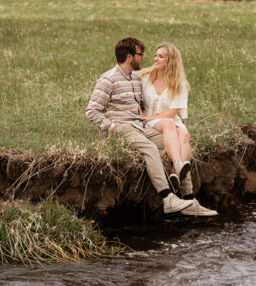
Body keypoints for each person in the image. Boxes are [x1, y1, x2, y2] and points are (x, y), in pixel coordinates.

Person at [86, 36, 216, 218]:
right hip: (122, 127)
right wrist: (111, 126)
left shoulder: (135, 79)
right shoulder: (108, 79)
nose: (144, 58)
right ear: (130, 56)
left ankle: (189, 198)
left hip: (139, 126)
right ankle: (167, 197)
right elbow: (92, 110)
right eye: (141, 54)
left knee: (176, 143)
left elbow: (140, 106)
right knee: (150, 148)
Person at [141, 42, 217, 216]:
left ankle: (188, 197)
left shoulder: (179, 82)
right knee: (170, 126)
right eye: (155, 55)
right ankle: (178, 168)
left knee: (184, 133)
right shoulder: (145, 77)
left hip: (170, 118)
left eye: (161, 56)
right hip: (150, 121)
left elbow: (174, 112)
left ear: (171, 61)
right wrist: (145, 117)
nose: (155, 59)